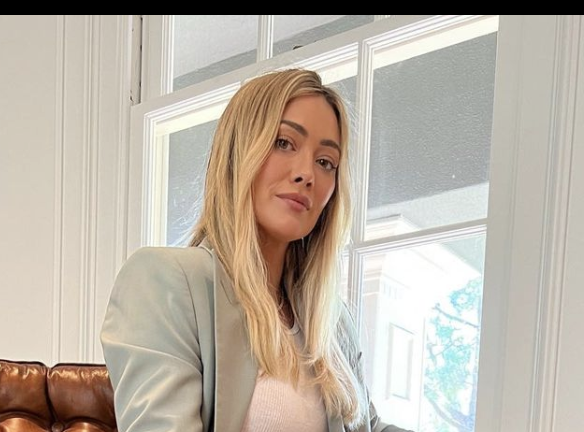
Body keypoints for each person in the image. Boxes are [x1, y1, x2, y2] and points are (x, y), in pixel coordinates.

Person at [101, 68, 413, 432]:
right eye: (284, 142)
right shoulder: (165, 281)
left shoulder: (333, 321)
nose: (307, 173)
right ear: (239, 152)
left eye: (325, 162)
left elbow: (368, 426)